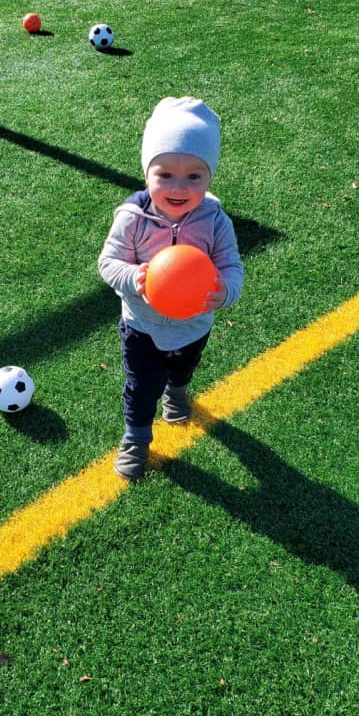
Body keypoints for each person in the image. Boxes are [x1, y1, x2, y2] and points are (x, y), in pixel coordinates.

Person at [98, 96, 245, 480]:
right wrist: (134, 278)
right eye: (165, 174)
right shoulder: (133, 218)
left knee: (183, 369)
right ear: (147, 172)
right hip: (142, 327)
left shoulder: (214, 220)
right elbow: (108, 263)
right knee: (140, 386)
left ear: (209, 176)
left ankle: (178, 392)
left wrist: (225, 290)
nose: (178, 187)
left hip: (194, 326)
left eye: (194, 176)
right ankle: (136, 438)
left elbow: (231, 265)